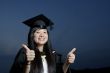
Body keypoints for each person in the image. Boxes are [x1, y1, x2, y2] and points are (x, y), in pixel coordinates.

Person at [9, 14, 76, 73]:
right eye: (38, 32)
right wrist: (28, 62)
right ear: (32, 35)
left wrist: (67, 62)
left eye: (44, 32)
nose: (42, 35)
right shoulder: (25, 52)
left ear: (48, 35)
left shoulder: (53, 54)